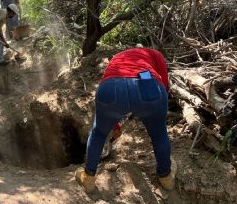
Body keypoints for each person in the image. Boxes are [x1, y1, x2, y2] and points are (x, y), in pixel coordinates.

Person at [75, 47, 177, 193]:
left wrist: (115, 125)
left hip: (111, 86)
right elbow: (164, 84)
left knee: (98, 133)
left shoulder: (117, 57)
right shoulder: (153, 53)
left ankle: (88, 178)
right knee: (159, 134)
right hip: (147, 81)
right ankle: (166, 178)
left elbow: (114, 91)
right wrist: (153, 106)